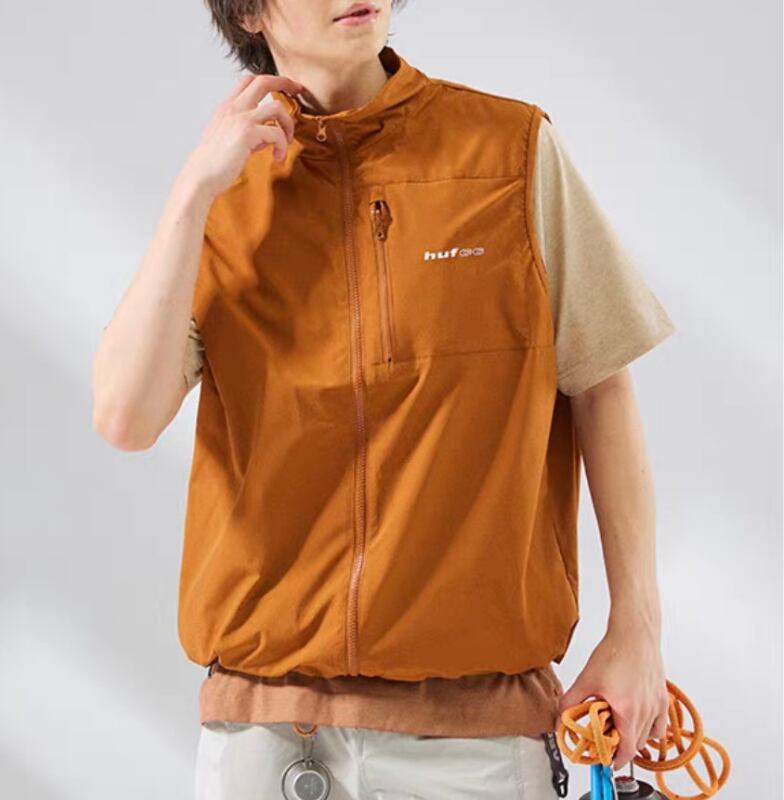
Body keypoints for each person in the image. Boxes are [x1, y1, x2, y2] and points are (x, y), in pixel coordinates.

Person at [91, 1, 676, 797]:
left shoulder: (509, 152)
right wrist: (193, 192)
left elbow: (602, 384)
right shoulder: (224, 195)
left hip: (479, 745)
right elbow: (125, 416)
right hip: (268, 743)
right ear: (249, 11)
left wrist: (638, 631)